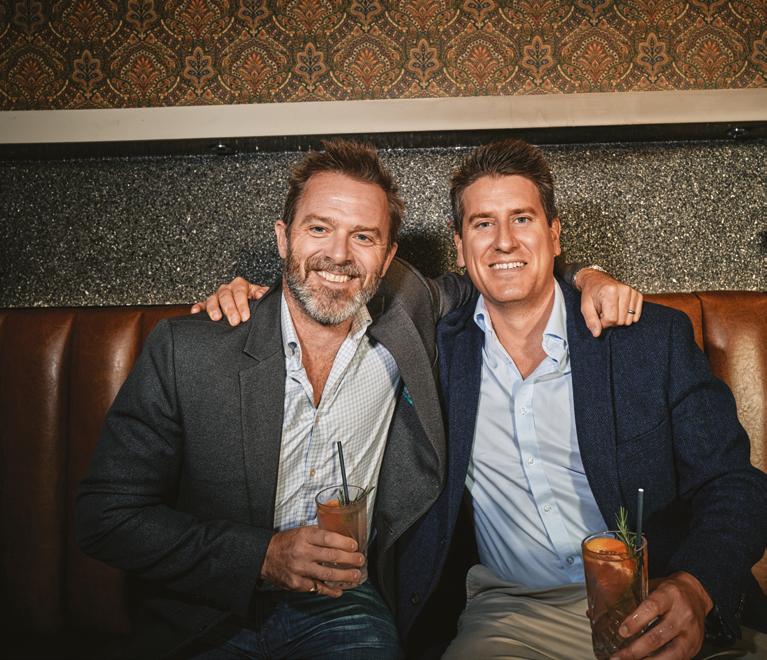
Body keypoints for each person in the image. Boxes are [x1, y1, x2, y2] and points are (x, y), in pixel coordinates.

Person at [76, 138, 638, 660]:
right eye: (319, 228)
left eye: (363, 237)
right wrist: (263, 556)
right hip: (206, 614)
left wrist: (588, 277)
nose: (338, 255)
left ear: (388, 257)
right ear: (283, 238)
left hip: (344, 605)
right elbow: (104, 515)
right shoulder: (190, 349)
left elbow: (503, 268)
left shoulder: (410, 315)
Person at [404, 139, 767, 659]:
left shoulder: (649, 339)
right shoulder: (435, 351)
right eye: (483, 223)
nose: (503, 241)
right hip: (513, 615)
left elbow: (734, 483)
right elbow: (358, 280)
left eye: (522, 219)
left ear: (554, 234)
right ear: (459, 247)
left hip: (658, 596)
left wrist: (696, 587)